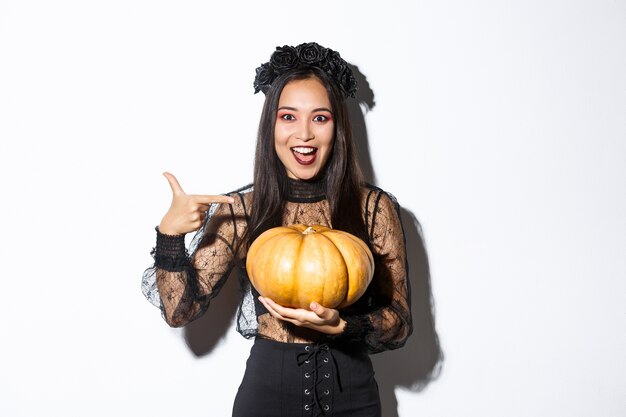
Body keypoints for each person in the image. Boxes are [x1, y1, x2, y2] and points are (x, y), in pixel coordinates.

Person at [142, 42, 412, 417]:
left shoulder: (373, 209)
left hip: (355, 401)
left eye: (320, 118)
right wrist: (170, 237)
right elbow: (178, 311)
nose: (303, 134)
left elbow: (398, 322)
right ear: (271, 125)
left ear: (338, 127)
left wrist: (342, 326)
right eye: (288, 117)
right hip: (267, 398)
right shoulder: (243, 210)